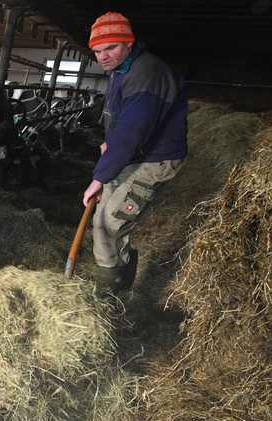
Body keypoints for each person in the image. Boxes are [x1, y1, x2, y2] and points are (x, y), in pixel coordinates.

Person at [81, 12, 188, 294]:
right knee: (105, 217)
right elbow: (119, 120)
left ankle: (109, 297)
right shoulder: (121, 70)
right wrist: (108, 148)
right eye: (97, 51)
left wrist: (99, 176)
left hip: (153, 159)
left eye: (110, 48)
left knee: (108, 224)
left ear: (129, 43)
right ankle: (120, 280)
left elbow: (132, 132)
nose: (103, 57)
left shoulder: (146, 73)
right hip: (132, 155)